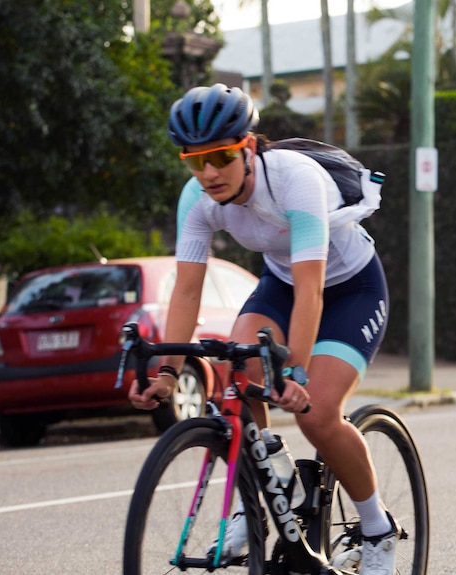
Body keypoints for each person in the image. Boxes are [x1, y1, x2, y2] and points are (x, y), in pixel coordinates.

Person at [129, 83, 396, 574]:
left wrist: (294, 372)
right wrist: (165, 370)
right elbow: (187, 290)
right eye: (195, 161)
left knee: (316, 416)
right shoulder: (197, 198)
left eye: (222, 157)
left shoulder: (296, 180)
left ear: (247, 147)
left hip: (349, 289)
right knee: (236, 366)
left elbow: (312, 290)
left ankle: (377, 529)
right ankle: (260, 492)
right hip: (281, 283)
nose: (209, 173)